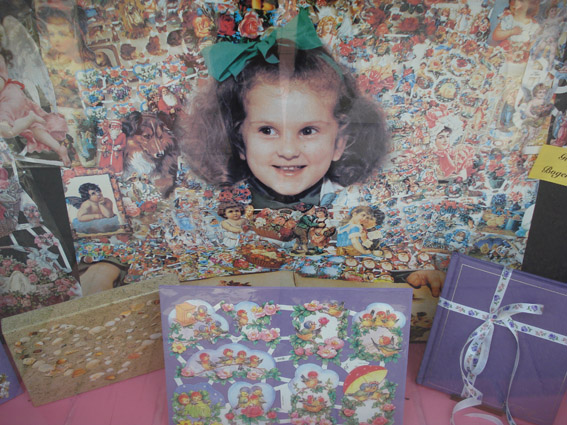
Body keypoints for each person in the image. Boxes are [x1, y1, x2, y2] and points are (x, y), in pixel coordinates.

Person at [175, 8, 389, 209]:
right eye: (267, 130)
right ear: (240, 141)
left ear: (339, 143)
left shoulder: (355, 205)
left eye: (308, 131)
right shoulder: (215, 205)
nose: (288, 151)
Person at [0, 48, 71, 166]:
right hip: (12, 96)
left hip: (9, 99)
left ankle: (29, 118)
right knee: (35, 128)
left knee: (6, 130)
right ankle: (58, 148)